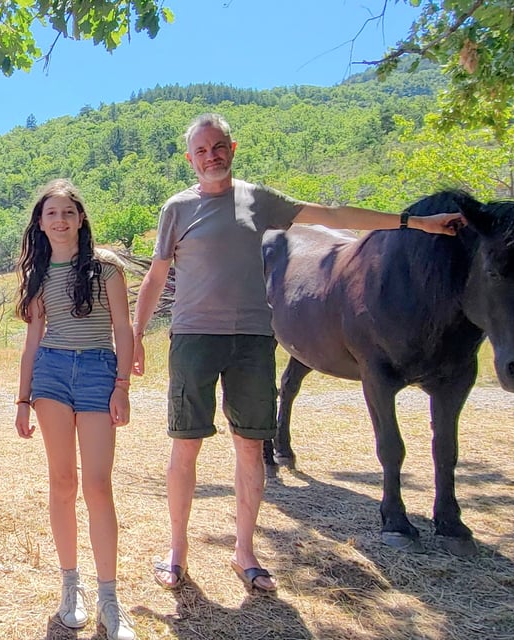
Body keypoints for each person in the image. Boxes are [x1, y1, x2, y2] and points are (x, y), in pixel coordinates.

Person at [132, 113, 464, 594]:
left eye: (218, 146)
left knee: (249, 447)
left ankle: (244, 553)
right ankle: (177, 551)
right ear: (190, 159)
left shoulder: (259, 200)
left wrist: (415, 223)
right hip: (192, 339)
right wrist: (137, 334)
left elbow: (334, 216)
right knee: (186, 447)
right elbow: (157, 275)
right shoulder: (176, 209)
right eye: (201, 150)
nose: (211, 156)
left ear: (233, 147)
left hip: (252, 341)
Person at [13, 180, 135, 639]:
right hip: (51, 375)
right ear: (40, 224)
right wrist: (22, 400)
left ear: (80, 218)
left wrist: (122, 385)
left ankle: (110, 599)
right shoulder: (37, 275)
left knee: (98, 485)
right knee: (62, 481)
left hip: (99, 372)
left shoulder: (106, 269)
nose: (60, 221)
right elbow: (31, 342)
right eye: (51, 214)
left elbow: (123, 329)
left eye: (67, 212)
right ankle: (71, 587)